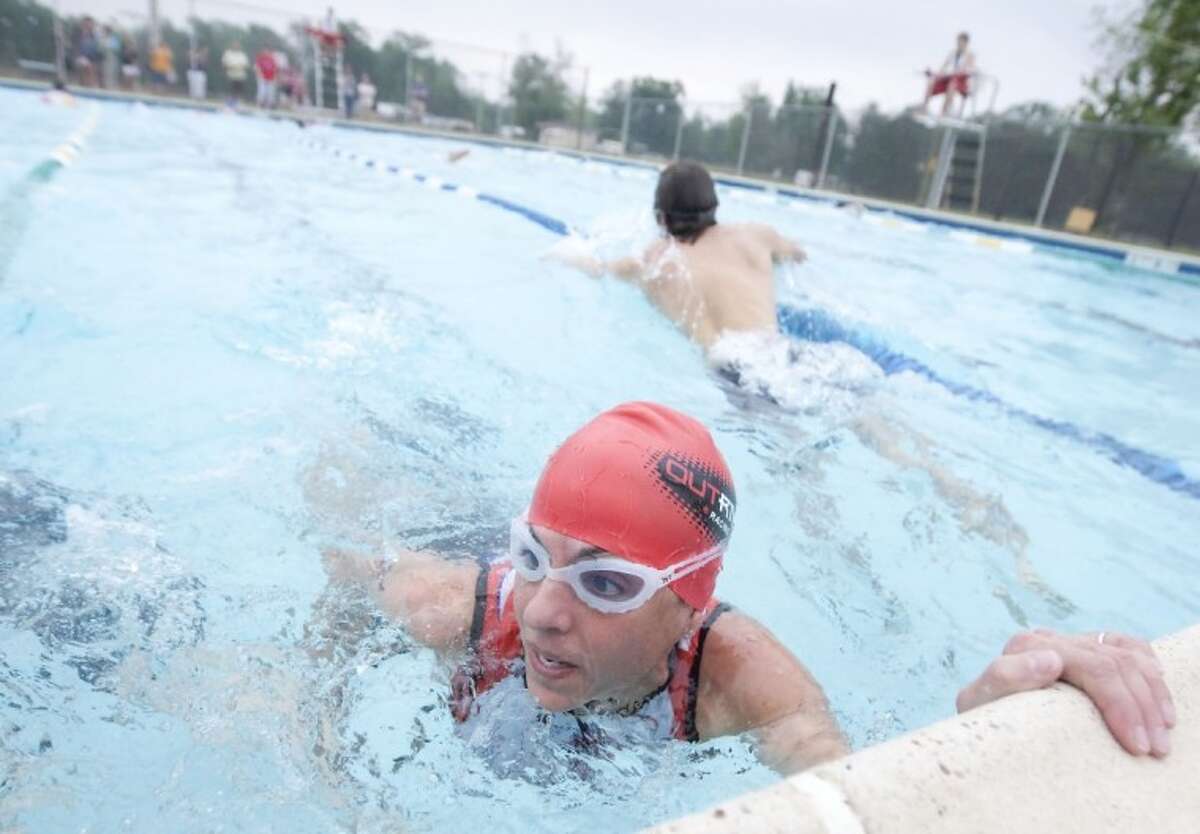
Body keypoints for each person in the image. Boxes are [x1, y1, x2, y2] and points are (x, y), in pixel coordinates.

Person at [317, 401, 1175, 776]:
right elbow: (341, 569)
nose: (543, 612)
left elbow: (851, 788)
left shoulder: (742, 685)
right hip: (441, 518)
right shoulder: (466, 606)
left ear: (688, 606)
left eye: (606, 583)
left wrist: (989, 725)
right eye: (536, 559)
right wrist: (328, 750)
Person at [547, 161, 1077, 618]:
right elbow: (796, 254)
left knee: (809, 481)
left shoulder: (653, 260)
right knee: (901, 448)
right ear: (715, 209)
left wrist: (567, 253)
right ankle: (1017, 557)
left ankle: (858, 581)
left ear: (661, 217)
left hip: (744, 373)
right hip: (797, 356)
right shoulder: (754, 235)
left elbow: (593, 266)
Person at [923, 32, 977, 117]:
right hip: (948, 78)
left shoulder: (970, 55)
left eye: (960, 41)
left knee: (952, 85)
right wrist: (935, 74)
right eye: (958, 41)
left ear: (965, 42)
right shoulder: (952, 53)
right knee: (931, 83)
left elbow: (969, 70)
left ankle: (943, 112)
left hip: (961, 81)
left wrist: (957, 72)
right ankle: (924, 109)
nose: (958, 43)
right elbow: (943, 67)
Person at [222, 41, 250, 107]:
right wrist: (232, 66)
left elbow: (246, 65)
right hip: (230, 75)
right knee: (231, 90)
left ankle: (236, 103)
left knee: (238, 91)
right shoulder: (228, 53)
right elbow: (224, 64)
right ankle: (228, 103)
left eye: (237, 45)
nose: (236, 46)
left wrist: (239, 67)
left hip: (240, 75)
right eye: (235, 45)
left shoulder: (242, 55)